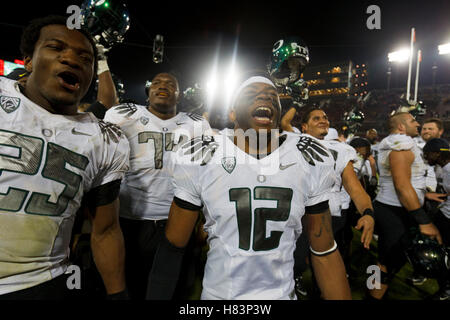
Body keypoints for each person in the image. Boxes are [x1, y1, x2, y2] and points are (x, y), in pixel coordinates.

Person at [146, 73, 351, 300]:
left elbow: (324, 251)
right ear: (233, 113)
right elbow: (173, 246)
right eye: (252, 94)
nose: (265, 98)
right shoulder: (204, 154)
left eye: (273, 96)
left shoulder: (307, 156)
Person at [0, 15, 130, 299]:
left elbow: (106, 230)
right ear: (29, 60)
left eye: (85, 58)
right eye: (56, 48)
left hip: (41, 283)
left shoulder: (105, 139)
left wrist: (118, 295)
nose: (71, 59)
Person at [104, 72, 211, 300]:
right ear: (148, 91)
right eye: (157, 83)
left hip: (178, 220)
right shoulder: (123, 114)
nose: (163, 86)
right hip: (130, 220)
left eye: (171, 84)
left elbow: (207, 173)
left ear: (179, 95)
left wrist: (205, 219)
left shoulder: (196, 124)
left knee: (175, 289)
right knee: (131, 285)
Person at [368, 112, 443, 300]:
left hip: (393, 207)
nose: (417, 123)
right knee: (386, 261)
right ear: (401, 127)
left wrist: (424, 194)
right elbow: (401, 185)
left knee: (388, 258)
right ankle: (372, 296)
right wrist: (423, 220)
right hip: (396, 210)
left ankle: (374, 291)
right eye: (412, 121)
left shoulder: (397, 143)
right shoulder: (401, 145)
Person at [422, 138, 450, 300]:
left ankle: (446, 289)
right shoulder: (442, 168)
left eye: (428, 155)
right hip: (443, 213)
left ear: (437, 154)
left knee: (441, 253)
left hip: (447, 217)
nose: (426, 158)